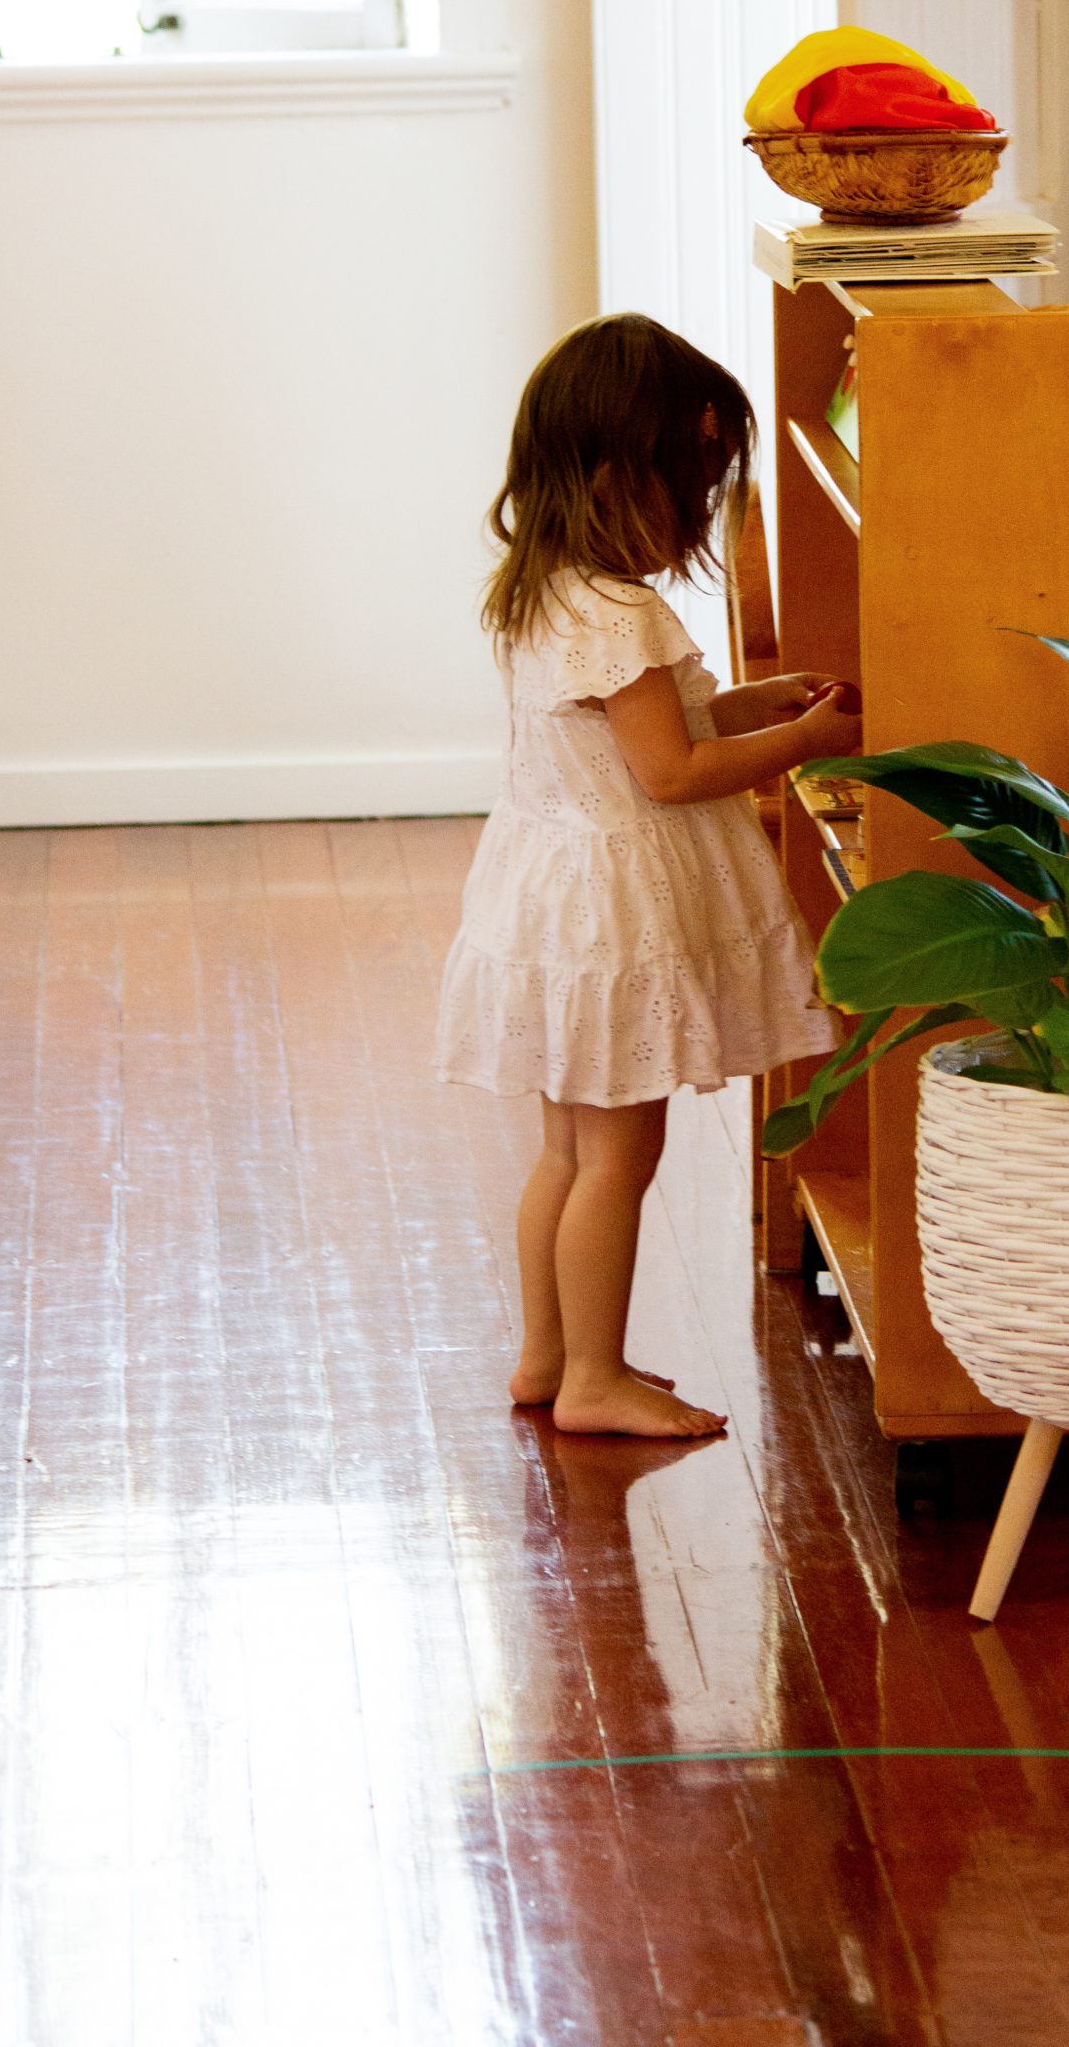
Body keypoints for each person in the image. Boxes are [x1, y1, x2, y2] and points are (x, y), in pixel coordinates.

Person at [435, 313, 861, 1439]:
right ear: (630, 480)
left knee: (567, 1149)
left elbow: (643, 737)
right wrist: (804, 747)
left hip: (547, 897)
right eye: (695, 485)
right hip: (613, 918)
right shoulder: (625, 612)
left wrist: (752, 708)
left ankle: (546, 1357)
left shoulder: (543, 590)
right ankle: (596, 1377)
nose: (697, 517)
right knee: (623, 1153)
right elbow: (671, 773)